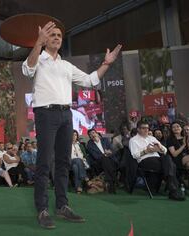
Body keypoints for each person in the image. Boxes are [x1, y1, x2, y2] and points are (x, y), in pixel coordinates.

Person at [21, 20, 121, 228]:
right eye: (52, 35)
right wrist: (37, 44)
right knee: (44, 163)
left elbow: (90, 80)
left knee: (64, 162)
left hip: (66, 115)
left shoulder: (66, 66)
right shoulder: (38, 59)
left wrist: (107, 63)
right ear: (45, 39)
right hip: (46, 115)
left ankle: (62, 206)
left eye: (59, 35)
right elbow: (27, 70)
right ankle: (42, 210)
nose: (57, 37)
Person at [129, 120, 185, 201]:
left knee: (167, 159)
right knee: (171, 165)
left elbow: (165, 150)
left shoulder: (152, 138)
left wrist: (159, 148)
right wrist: (146, 151)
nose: (146, 130)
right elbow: (134, 155)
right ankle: (174, 189)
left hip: (158, 158)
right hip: (145, 160)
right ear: (138, 129)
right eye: (143, 128)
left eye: (147, 128)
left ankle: (173, 190)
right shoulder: (133, 140)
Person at [86, 129, 118, 193]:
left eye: (93, 133)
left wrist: (110, 152)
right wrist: (105, 154)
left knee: (107, 161)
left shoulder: (105, 140)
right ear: (89, 137)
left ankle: (110, 182)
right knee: (105, 159)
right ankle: (112, 181)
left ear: (97, 133)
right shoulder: (90, 144)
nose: (92, 135)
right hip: (99, 163)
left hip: (111, 160)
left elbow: (113, 150)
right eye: (90, 134)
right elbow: (96, 156)